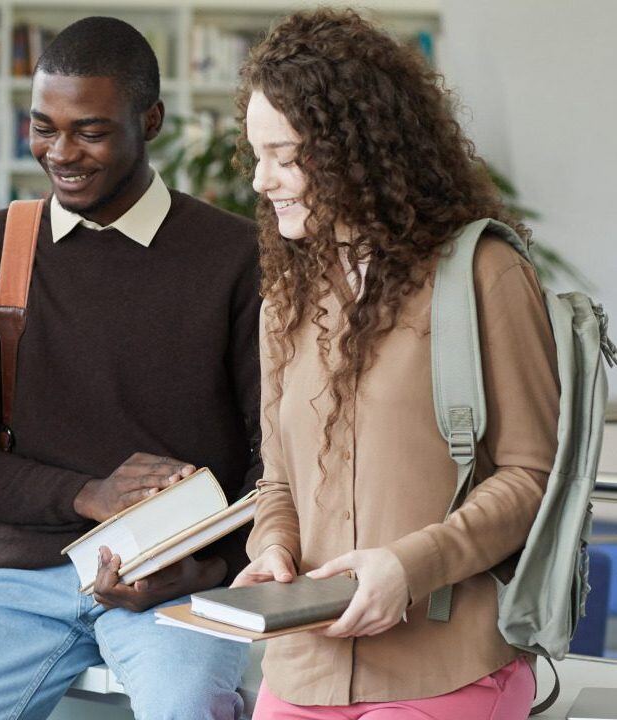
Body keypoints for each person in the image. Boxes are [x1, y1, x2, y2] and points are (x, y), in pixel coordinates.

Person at [0, 16, 261, 720]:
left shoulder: (235, 256)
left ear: (151, 120)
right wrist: (88, 495)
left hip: (178, 585)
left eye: (90, 131)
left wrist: (212, 568)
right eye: (43, 127)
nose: (60, 152)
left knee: (187, 706)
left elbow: (275, 458)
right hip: (26, 580)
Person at [230, 9, 557, 719]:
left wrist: (409, 569)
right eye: (257, 154)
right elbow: (279, 479)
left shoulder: (484, 275)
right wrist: (275, 547)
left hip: (449, 663)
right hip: (306, 663)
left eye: (286, 157)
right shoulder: (285, 299)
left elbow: (533, 476)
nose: (262, 181)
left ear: (360, 150)